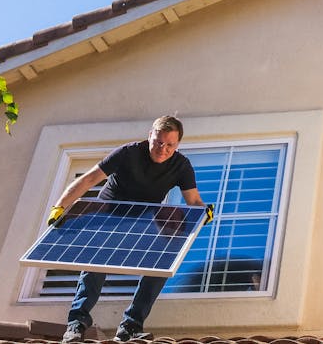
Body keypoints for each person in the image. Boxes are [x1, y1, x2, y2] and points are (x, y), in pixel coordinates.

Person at [47, 116, 212, 343]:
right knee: (95, 263)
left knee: (163, 261)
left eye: (170, 145)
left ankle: (131, 325)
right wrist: (60, 207)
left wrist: (204, 213)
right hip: (108, 214)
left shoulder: (181, 166)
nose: (162, 149)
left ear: (177, 145)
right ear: (149, 137)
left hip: (142, 219)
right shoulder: (128, 153)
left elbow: (193, 200)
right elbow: (88, 180)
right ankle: (77, 323)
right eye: (158, 142)